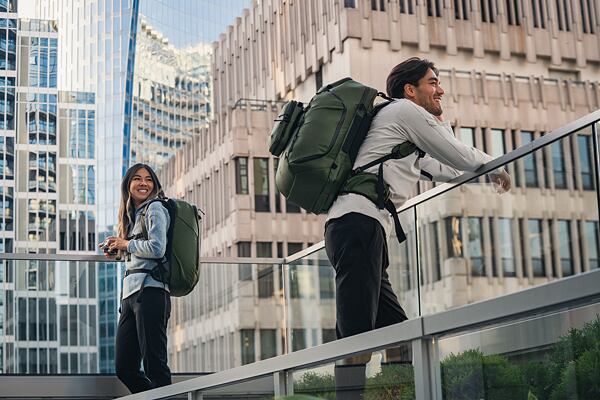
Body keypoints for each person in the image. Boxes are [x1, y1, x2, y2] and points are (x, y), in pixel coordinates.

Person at [324, 57, 511, 398]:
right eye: (433, 83)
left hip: (361, 229)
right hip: (358, 225)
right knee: (356, 337)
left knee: (398, 334)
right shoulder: (404, 112)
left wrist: (478, 168)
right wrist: (495, 166)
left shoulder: (401, 127)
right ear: (410, 90)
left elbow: (444, 166)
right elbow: (455, 152)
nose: (440, 89)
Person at [101, 163, 172, 393]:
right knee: (125, 368)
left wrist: (126, 243)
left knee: (155, 367)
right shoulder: (134, 215)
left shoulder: (155, 208)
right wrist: (118, 248)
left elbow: (158, 248)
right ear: (128, 185)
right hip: (130, 296)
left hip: (151, 291)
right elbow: (139, 251)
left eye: (149, 179)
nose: (143, 183)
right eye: (138, 179)